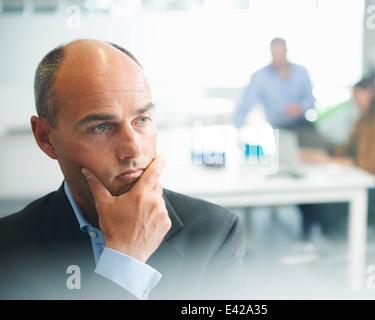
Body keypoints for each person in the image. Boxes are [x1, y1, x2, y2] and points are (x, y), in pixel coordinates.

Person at [0, 39, 245, 300]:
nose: (134, 149)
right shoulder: (8, 248)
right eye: (101, 127)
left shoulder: (215, 232)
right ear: (46, 138)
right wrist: (126, 258)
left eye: (142, 120)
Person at [298, 77, 375, 252]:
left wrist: (330, 161)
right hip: (356, 174)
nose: (355, 100)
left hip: (373, 185)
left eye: (358, 95)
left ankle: (333, 241)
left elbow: (370, 164)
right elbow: (346, 150)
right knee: (308, 197)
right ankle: (316, 239)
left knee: (317, 201)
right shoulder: (363, 120)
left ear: (371, 94)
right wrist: (321, 154)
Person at [235, 37, 330, 150]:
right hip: (281, 129)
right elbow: (245, 106)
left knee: (324, 147)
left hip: (304, 125)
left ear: (286, 51)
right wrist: (238, 133)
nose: (277, 57)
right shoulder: (259, 77)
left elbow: (311, 100)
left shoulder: (301, 71)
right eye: (274, 53)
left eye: (280, 53)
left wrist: (300, 108)